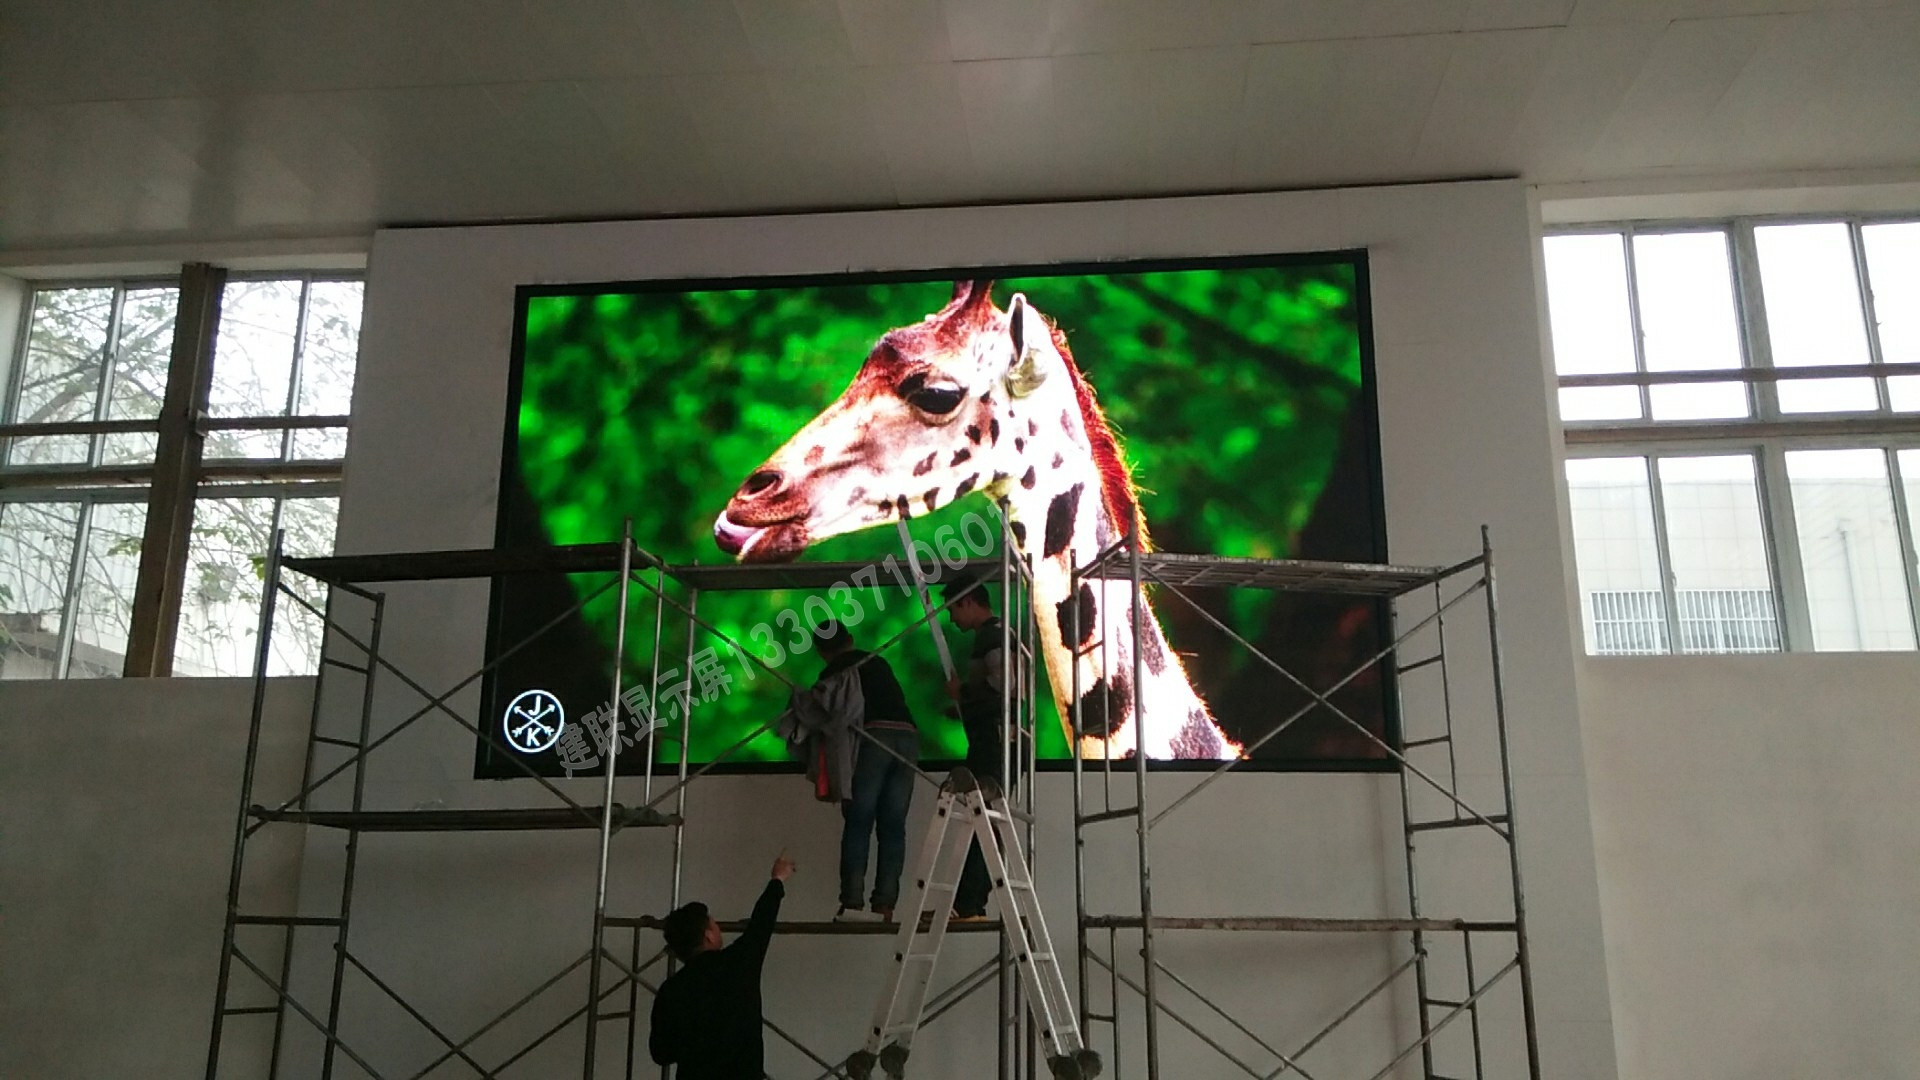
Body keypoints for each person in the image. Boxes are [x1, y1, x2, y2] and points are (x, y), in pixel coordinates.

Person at [649, 852, 796, 1079]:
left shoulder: (671, 990)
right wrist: (777, 880)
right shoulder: (738, 963)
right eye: (714, 924)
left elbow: (661, 1053)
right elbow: (761, 922)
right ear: (708, 935)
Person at [814, 621, 920, 922]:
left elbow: (827, 719)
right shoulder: (878, 661)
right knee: (893, 825)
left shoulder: (832, 673)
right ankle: (885, 903)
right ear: (850, 639)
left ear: (820, 652)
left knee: (859, 820)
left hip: (874, 737)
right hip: (908, 736)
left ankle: (852, 902)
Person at [941, 572, 1010, 921]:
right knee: (983, 819)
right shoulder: (994, 635)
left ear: (968, 602)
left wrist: (963, 693)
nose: (952, 618)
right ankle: (971, 900)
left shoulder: (992, 637)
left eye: (953, 609)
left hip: (992, 741)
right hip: (994, 737)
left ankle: (969, 901)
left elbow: (1006, 685)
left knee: (979, 817)